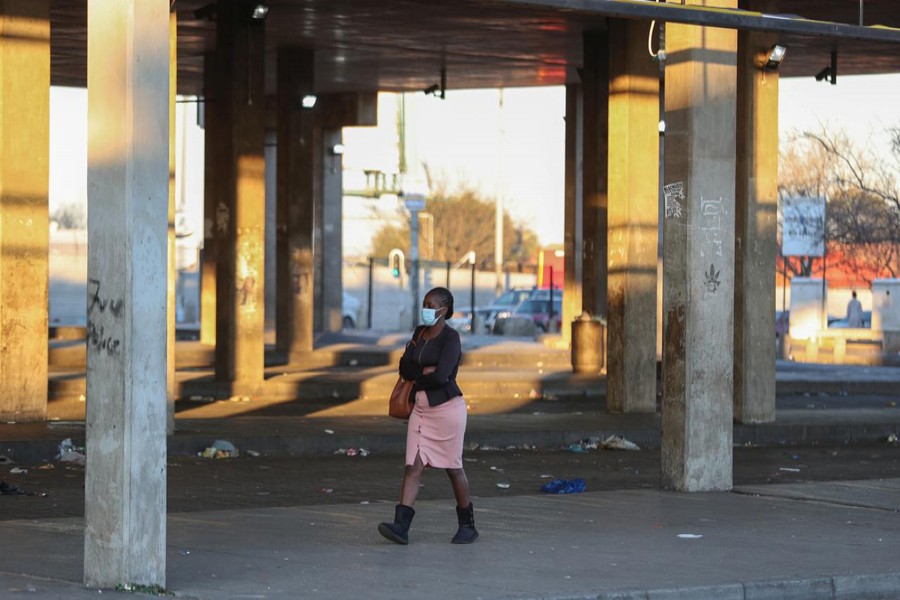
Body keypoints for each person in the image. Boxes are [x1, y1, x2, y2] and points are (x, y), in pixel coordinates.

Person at [378, 287, 478, 545]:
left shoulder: (451, 338)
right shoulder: (419, 333)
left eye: (431, 304)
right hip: (420, 412)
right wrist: (425, 371)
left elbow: (443, 376)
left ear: (443, 310)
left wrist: (419, 374)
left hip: (447, 412)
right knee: (413, 466)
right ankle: (401, 526)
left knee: (453, 468)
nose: (426, 308)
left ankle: (467, 524)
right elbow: (403, 366)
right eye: (424, 303)